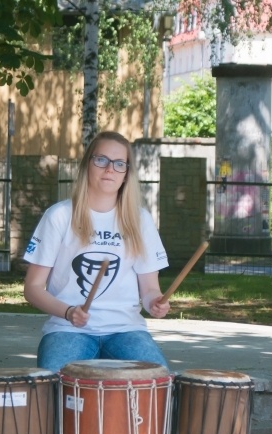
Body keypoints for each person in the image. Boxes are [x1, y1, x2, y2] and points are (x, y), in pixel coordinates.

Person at [23, 131, 170, 372]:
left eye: (119, 163)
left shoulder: (140, 220)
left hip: (126, 328)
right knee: (54, 385)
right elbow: (32, 288)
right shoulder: (59, 216)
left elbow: (150, 289)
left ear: (127, 173)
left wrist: (155, 301)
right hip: (68, 328)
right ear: (87, 165)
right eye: (101, 160)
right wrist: (68, 312)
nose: (110, 169)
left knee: (159, 380)